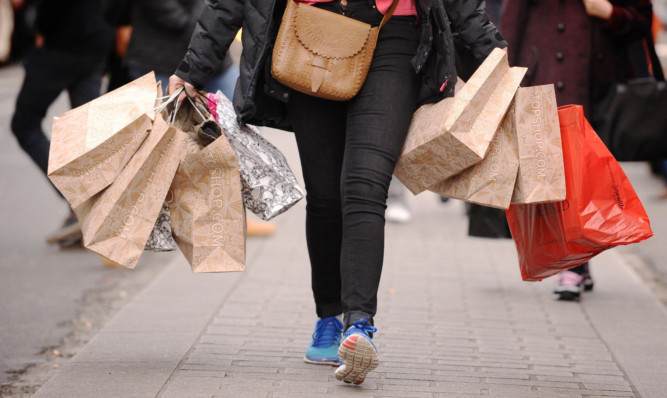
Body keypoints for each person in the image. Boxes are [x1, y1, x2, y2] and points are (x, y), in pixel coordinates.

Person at [169, 0, 506, 384]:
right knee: (326, 196)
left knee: (365, 185)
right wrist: (195, 67)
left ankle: (360, 325)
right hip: (310, 31)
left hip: (393, 34)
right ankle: (328, 316)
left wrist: (494, 62)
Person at [500, 0, 653, 301]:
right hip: (542, 76)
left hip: (597, 84)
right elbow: (512, 19)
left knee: (584, 176)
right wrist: (505, 79)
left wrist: (611, 13)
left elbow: (641, 19)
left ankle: (576, 262)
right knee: (556, 176)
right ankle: (573, 264)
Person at [10, 0, 113, 246]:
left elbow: (52, 9)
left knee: (25, 125)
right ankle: (87, 207)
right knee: (83, 130)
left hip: (62, 44)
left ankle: (82, 201)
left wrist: (40, 29)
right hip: (97, 39)